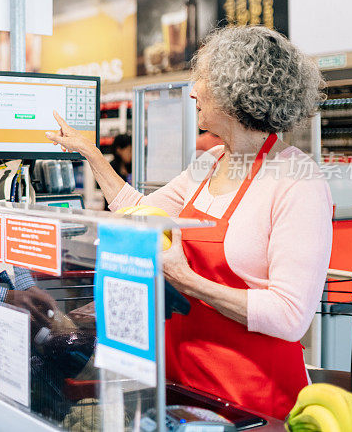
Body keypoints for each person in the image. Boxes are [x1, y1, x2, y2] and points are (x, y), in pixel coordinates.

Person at [45, 26, 332, 419]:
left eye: (205, 79)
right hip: (184, 385)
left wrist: (187, 280)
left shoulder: (297, 180)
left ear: (237, 90)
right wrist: (91, 154)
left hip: (253, 399)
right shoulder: (208, 165)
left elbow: (289, 316)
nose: (193, 91)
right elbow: (139, 211)